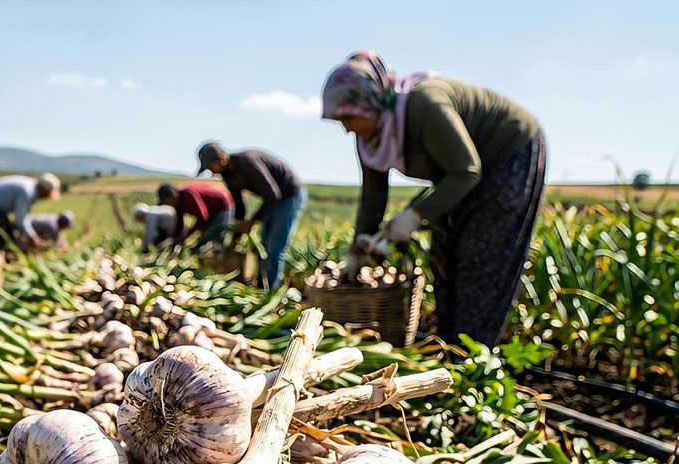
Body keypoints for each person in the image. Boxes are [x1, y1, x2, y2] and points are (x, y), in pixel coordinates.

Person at [321, 51, 546, 346]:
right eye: (339, 119)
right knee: (443, 258)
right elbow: (372, 200)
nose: (346, 127)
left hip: (508, 153)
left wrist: (415, 214)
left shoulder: (425, 105)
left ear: (373, 101)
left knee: (479, 262)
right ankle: (448, 348)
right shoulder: (370, 139)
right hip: (458, 175)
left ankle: (470, 360)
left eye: (349, 116)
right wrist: (355, 254)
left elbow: (466, 171)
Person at [196, 142, 307, 289]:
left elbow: (273, 194)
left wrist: (252, 222)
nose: (211, 171)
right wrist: (236, 236)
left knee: (274, 247)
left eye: (211, 166)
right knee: (263, 245)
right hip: (272, 200)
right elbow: (239, 205)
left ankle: (269, 291)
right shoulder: (227, 175)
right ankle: (262, 286)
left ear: (221, 157)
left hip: (289, 196)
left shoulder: (247, 162)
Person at [0, 173, 62, 249]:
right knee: (3, 239)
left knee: (9, 237)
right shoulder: (26, 192)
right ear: (43, 189)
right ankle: (5, 259)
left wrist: (25, 233)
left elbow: (22, 217)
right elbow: (20, 219)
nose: (47, 197)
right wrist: (32, 236)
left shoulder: (31, 189)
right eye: (47, 194)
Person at [156, 181, 234, 250]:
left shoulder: (188, 195)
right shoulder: (177, 205)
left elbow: (203, 217)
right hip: (211, 210)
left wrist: (185, 236)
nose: (168, 205)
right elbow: (179, 224)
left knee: (215, 234)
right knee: (205, 236)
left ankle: (220, 261)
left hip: (222, 204)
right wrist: (176, 238)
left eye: (167, 202)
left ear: (173, 194)